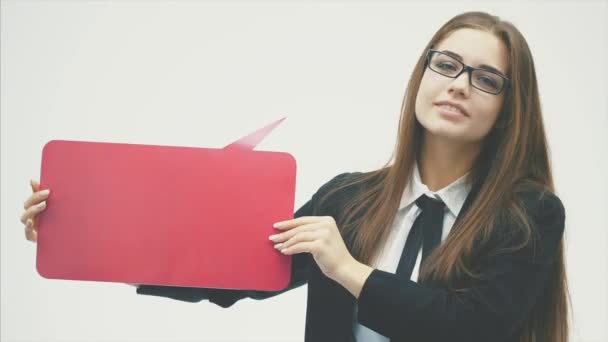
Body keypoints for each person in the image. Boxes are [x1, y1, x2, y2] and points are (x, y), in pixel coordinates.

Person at [20, 11, 568, 342]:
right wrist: (95, 241)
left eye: (486, 78)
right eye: (445, 64)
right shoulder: (351, 200)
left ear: (508, 108)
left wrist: (349, 271)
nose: (458, 84)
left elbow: (471, 331)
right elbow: (234, 276)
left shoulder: (528, 215)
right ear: (421, 76)